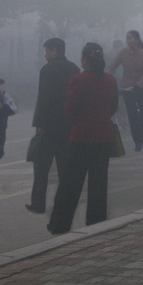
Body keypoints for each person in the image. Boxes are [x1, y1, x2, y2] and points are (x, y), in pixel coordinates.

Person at [47, 43, 118, 235]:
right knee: (99, 183)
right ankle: (96, 222)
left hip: (81, 137)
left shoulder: (78, 80)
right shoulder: (110, 80)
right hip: (104, 138)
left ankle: (59, 224)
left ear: (85, 60)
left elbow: (69, 110)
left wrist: (80, 121)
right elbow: (113, 108)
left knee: (70, 183)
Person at [26, 38, 80, 214]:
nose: (45, 55)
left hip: (50, 127)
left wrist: (39, 124)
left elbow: (44, 98)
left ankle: (38, 204)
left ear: (55, 51)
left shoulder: (47, 70)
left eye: (47, 51)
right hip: (69, 125)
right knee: (65, 167)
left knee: (41, 167)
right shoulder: (74, 69)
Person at [107, 30, 143, 151]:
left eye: (130, 38)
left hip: (141, 88)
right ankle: (137, 141)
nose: (128, 40)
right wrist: (105, 77)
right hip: (127, 88)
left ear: (136, 40)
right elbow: (112, 67)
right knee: (133, 116)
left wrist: (139, 84)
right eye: (127, 38)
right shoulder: (123, 54)